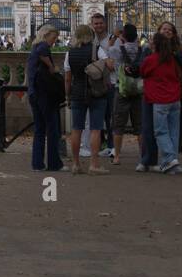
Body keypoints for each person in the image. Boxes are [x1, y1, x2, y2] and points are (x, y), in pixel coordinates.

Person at [137, 29, 182, 174]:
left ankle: (170, 158)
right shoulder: (171, 58)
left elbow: (142, 72)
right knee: (173, 132)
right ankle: (170, 164)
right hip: (174, 99)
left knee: (160, 131)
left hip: (159, 99)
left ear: (155, 45)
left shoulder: (150, 59)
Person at [64, 24, 109, 174]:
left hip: (77, 93)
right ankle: (94, 165)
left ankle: (76, 164)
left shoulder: (69, 53)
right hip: (96, 93)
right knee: (95, 129)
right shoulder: (97, 50)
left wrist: (68, 95)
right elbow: (108, 65)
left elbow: (68, 78)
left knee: (76, 129)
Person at [25, 25, 64, 171]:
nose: (54, 41)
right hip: (45, 95)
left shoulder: (34, 48)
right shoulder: (42, 47)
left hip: (34, 93)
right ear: (46, 35)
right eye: (53, 38)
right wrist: (53, 68)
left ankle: (37, 163)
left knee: (39, 130)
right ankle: (54, 163)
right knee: (52, 129)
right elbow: (49, 66)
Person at [107, 23, 144, 166]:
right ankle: (142, 155)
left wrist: (116, 37)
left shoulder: (116, 49)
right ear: (136, 36)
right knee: (139, 125)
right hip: (138, 90)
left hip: (121, 89)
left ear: (123, 36)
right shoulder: (143, 50)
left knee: (118, 125)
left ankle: (116, 156)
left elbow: (107, 49)